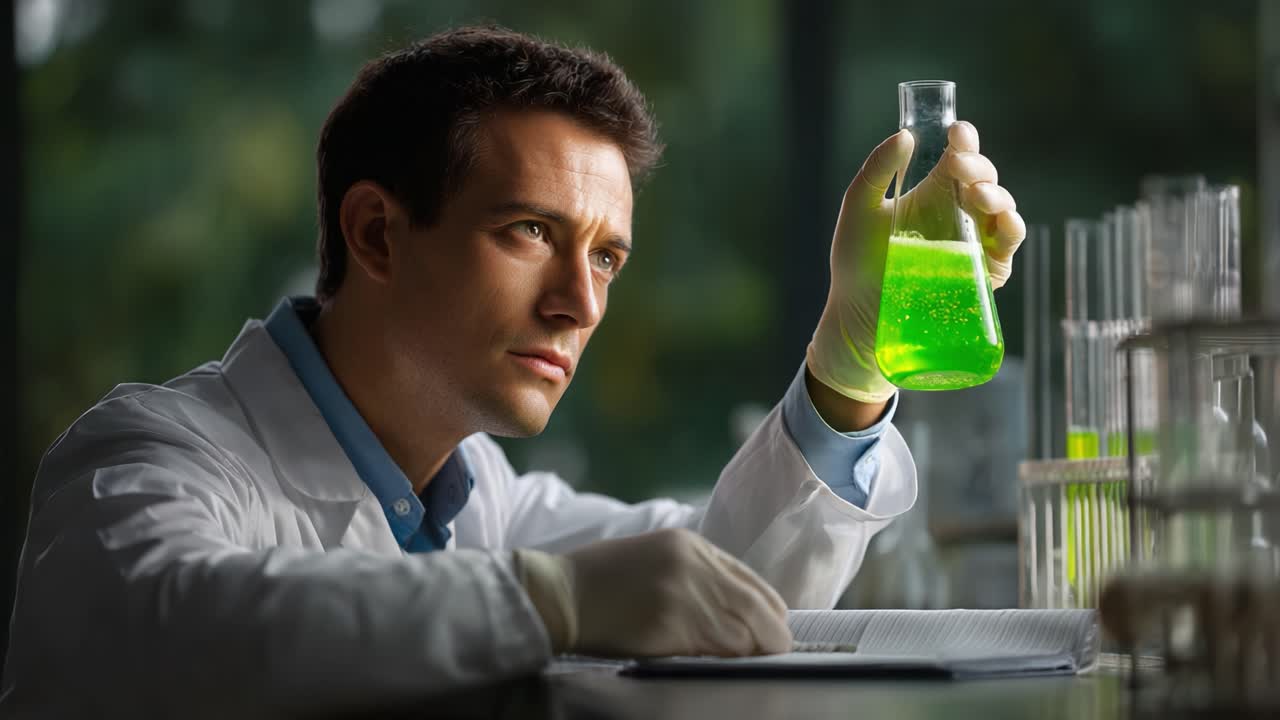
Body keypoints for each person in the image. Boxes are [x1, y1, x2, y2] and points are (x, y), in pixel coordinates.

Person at [1, 25, 1024, 717]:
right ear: (376, 232)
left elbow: (724, 600)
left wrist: (846, 362)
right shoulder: (144, 452)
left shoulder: (473, 496)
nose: (579, 303)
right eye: (530, 231)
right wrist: (549, 603)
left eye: (607, 256)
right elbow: (160, 631)